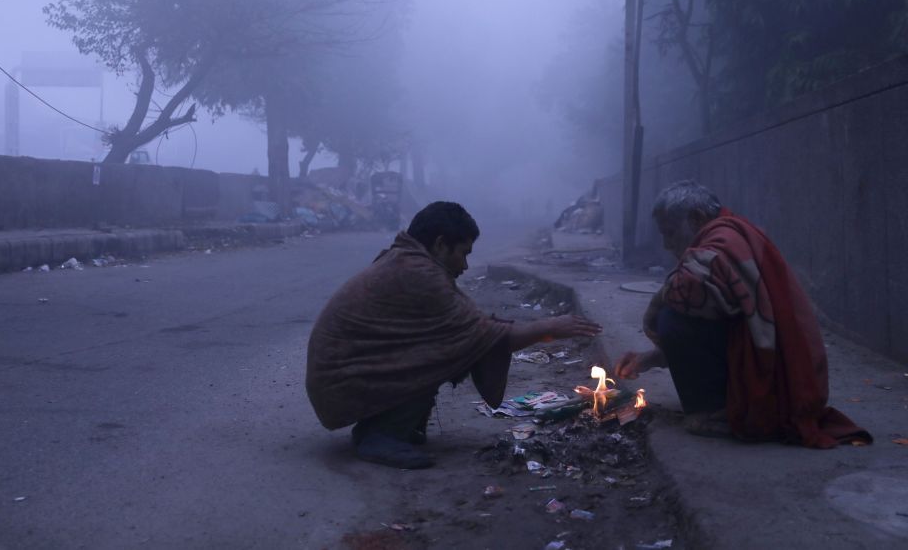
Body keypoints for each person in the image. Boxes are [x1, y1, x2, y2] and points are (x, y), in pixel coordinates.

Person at [306, 201, 601, 469]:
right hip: (341, 385)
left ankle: (390, 426)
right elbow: (480, 335)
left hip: (344, 378)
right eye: (463, 253)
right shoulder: (418, 272)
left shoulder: (408, 260)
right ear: (440, 245)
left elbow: (469, 325)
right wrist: (549, 327)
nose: (465, 265)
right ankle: (381, 434)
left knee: (457, 342)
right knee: (452, 349)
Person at [614, 180, 871, 447]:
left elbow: (686, 292)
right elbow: (716, 329)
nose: (667, 244)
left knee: (672, 317)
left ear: (696, 218)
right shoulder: (728, 232)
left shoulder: (725, 239)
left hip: (775, 386)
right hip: (776, 370)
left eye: (669, 232)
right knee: (675, 315)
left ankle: (715, 414)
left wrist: (660, 302)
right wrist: (650, 359)